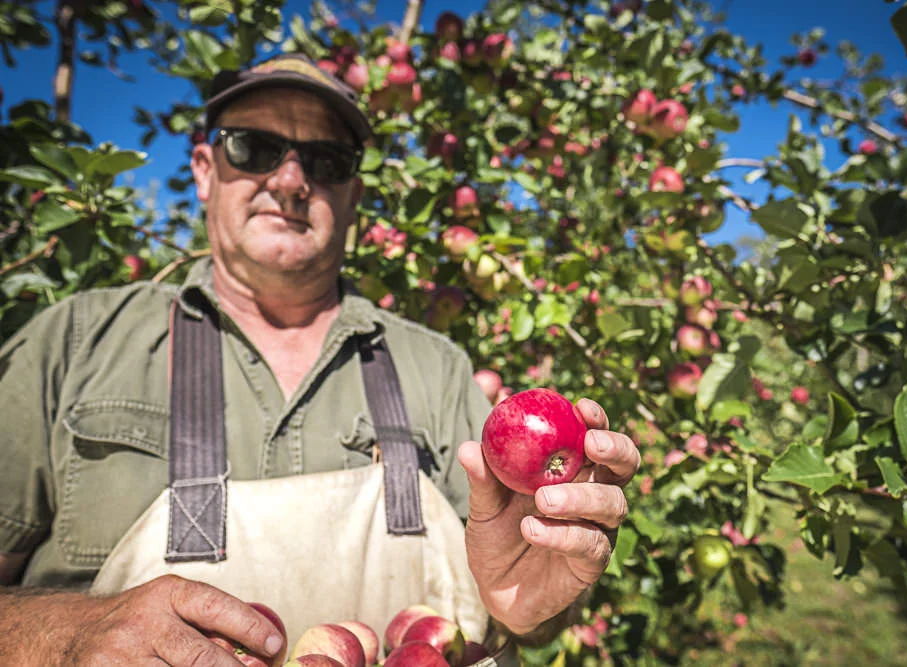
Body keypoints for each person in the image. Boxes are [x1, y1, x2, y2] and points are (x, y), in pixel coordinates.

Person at [0, 52, 640, 664]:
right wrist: (60, 635)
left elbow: (516, 601)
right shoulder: (73, 343)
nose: (290, 180)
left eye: (326, 159)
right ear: (202, 168)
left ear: (354, 195)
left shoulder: (437, 370)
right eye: (253, 148)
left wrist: (532, 601)